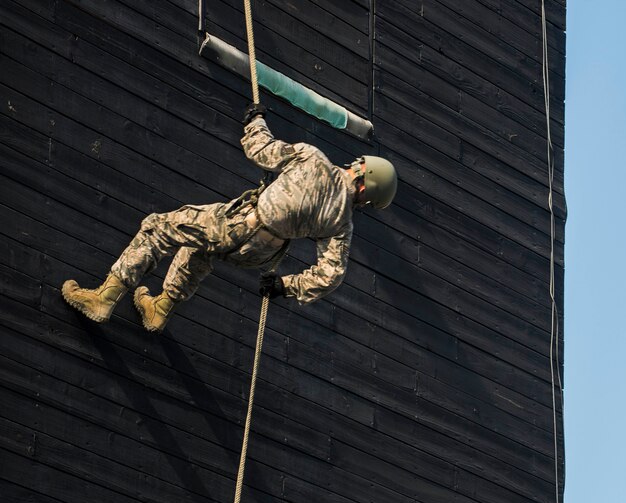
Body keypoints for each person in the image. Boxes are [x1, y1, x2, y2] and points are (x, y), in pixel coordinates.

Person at [61, 103, 397, 332]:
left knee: (160, 229)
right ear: (368, 197)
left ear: (361, 169)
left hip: (242, 223)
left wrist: (255, 120)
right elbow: (330, 276)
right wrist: (285, 285)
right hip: (258, 255)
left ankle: (105, 298)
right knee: (200, 249)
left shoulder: (314, 159)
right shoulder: (341, 223)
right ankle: (160, 308)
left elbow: (261, 151)